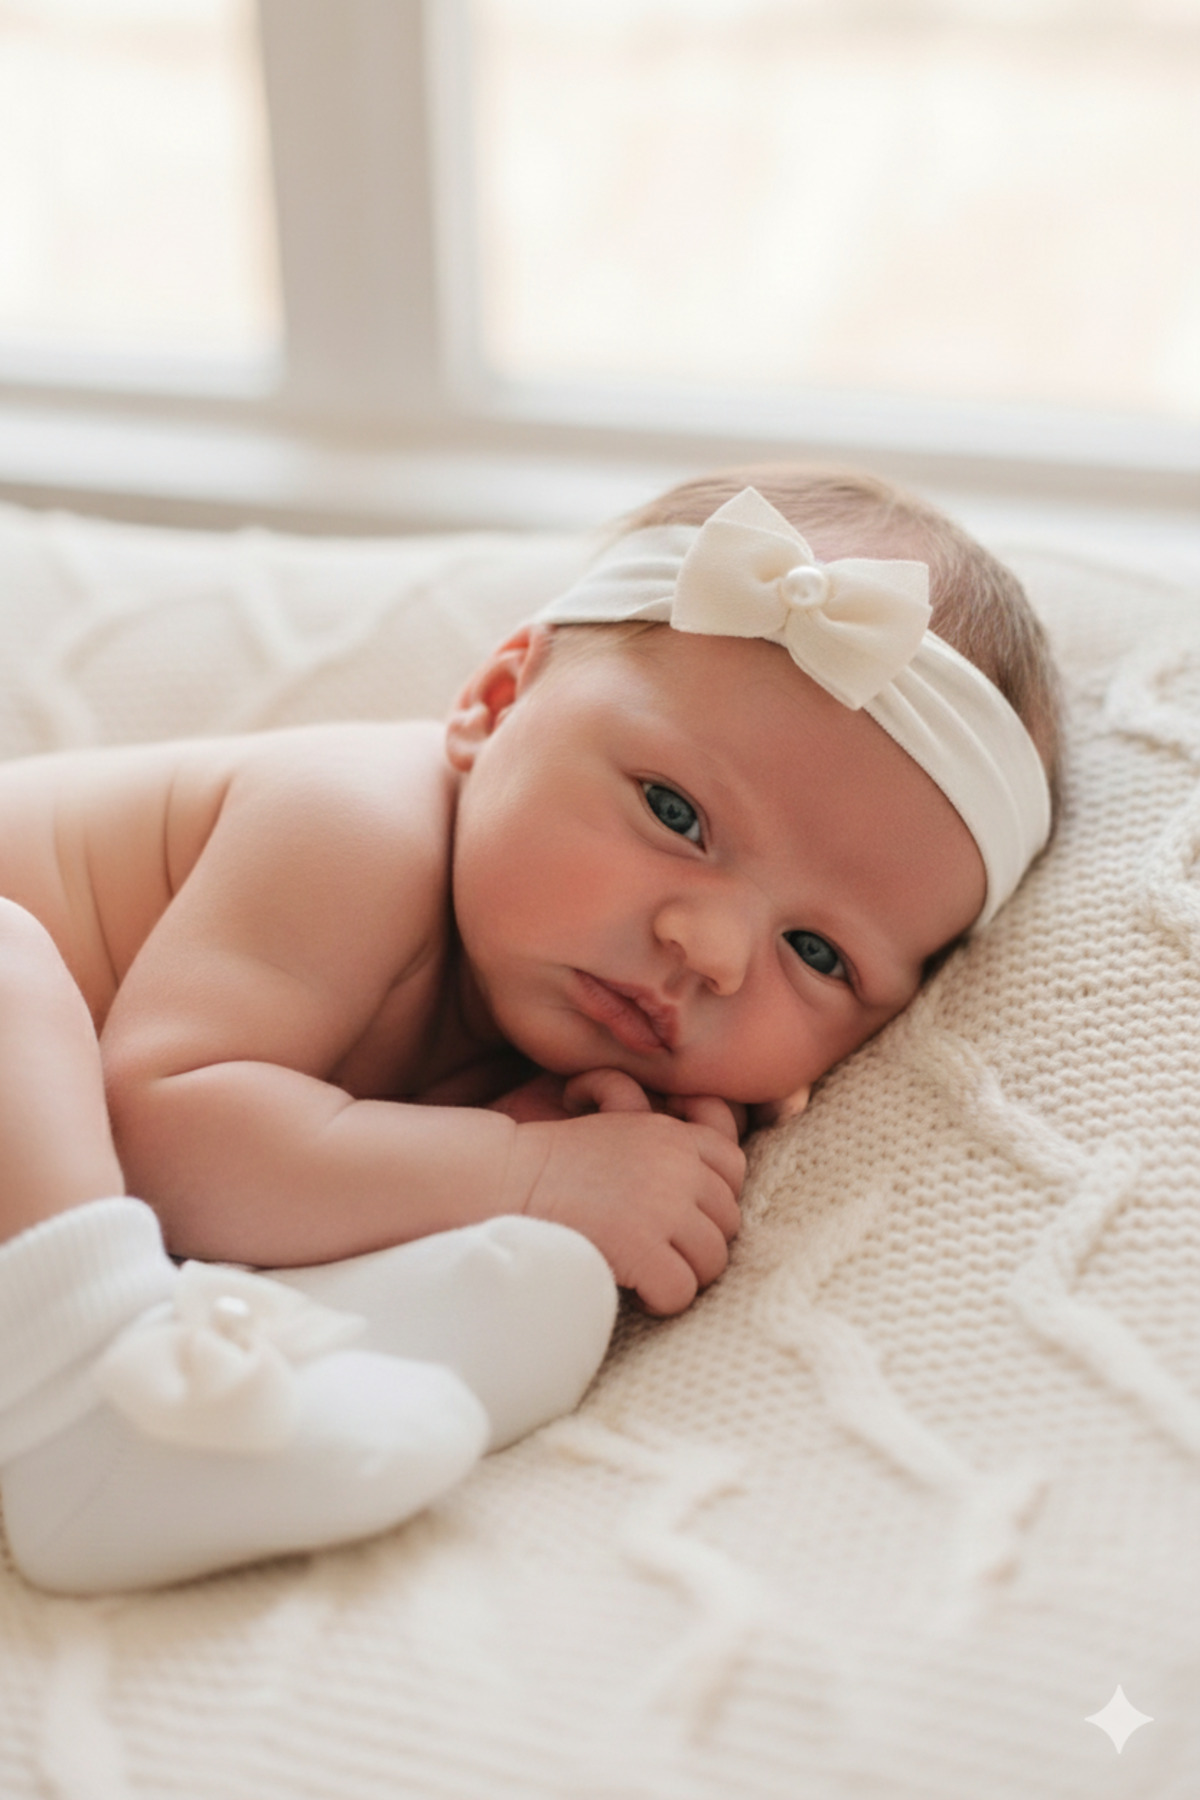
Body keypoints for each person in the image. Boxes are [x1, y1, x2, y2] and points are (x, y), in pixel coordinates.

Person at [0, 466, 1061, 1593]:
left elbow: (286, 1185)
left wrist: (559, 1161)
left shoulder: (555, 1038)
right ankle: (87, 1415)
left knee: (532, 1278)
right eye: (676, 813)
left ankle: (245, 1381)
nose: (712, 950)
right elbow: (166, 1143)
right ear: (497, 704)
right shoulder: (354, 823)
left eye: (818, 954)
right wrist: (523, 1170)